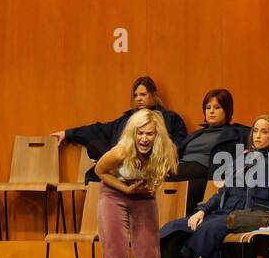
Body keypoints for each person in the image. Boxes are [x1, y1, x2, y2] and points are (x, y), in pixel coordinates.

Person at [159, 114, 269, 258]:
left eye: (264, 132)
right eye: (255, 131)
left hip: (248, 214)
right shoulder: (241, 160)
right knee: (173, 229)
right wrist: (202, 211)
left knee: (206, 230)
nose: (258, 136)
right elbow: (223, 192)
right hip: (223, 211)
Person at [94, 109, 177, 258]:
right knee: (117, 256)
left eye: (149, 134)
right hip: (114, 194)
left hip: (143, 197)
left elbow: (159, 177)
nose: (144, 139)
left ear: (156, 136)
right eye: (140, 133)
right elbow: (99, 170)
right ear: (133, 133)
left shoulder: (164, 152)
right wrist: (125, 188)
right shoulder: (121, 151)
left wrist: (146, 188)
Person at [52, 76, 189, 183]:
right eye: (135, 95)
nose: (138, 99)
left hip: (149, 166)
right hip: (122, 164)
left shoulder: (169, 118)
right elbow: (98, 129)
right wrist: (68, 133)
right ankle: (122, 170)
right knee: (94, 145)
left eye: (143, 94)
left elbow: (179, 146)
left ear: (153, 95)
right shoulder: (126, 119)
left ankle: (127, 171)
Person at [174, 89, 250, 202]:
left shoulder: (238, 133)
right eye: (208, 108)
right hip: (178, 172)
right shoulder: (196, 134)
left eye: (217, 107)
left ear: (227, 110)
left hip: (206, 178)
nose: (211, 111)